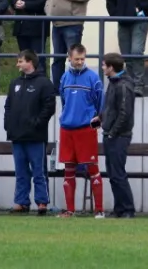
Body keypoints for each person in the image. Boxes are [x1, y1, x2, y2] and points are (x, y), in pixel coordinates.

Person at [4, 50, 56, 215]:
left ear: (30, 62)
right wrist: (8, 125)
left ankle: (42, 202)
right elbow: (8, 106)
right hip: (17, 136)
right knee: (21, 172)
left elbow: (49, 108)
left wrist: (37, 123)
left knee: (38, 171)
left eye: (20, 61)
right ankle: (21, 202)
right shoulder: (15, 83)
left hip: (35, 136)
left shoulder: (44, 83)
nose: (18, 64)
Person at [57, 44, 105, 218]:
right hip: (67, 129)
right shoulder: (64, 78)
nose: (79, 62)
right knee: (68, 169)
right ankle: (70, 210)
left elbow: (101, 104)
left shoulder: (93, 78)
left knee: (93, 169)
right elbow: (64, 102)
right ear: (69, 57)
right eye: (76, 59)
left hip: (86, 130)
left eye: (82, 59)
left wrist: (98, 119)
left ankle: (99, 210)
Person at [45, 0, 92, 93]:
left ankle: (75, 87)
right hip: (57, 24)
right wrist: (49, 12)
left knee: (75, 58)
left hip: (72, 24)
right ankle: (57, 89)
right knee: (57, 59)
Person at [96, 53, 136, 218]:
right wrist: (99, 119)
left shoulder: (123, 85)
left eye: (104, 65)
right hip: (111, 134)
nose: (103, 67)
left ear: (111, 67)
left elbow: (124, 113)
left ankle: (127, 209)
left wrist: (112, 132)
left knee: (118, 173)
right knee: (113, 174)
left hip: (119, 136)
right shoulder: (113, 83)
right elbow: (110, 108)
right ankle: (119, 208)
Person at [11, 0, 52, 73]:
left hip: (37, 26)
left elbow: (44, 1)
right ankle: (25, 81)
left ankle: (40, 83)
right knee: (24, 57)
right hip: (21, 25)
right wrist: (15, 3)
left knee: (37, 57)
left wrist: (26, 5)